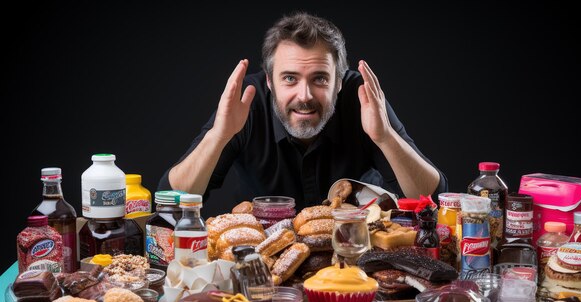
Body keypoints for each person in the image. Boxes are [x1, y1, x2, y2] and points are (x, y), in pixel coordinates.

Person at [158, 12, 447, 211]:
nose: (305, 96)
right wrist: (218, 136)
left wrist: (385, 138)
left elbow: (431, 198)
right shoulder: (248, 99)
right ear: (269, 81)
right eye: (290, 78)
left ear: (339, 82)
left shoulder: (360, 96)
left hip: (355, 252)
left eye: (320, 78)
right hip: (260, 261)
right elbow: (173, 199)